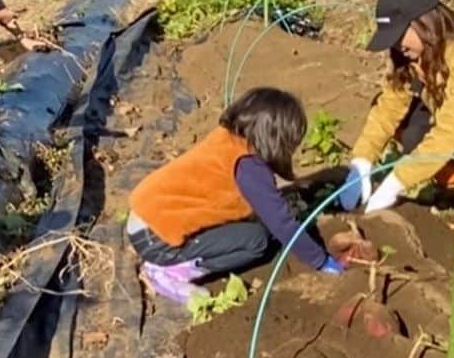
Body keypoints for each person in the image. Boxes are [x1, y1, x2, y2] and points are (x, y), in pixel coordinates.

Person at [126, 87, 343, 303]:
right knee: (256, 241)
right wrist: (321, 261)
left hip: (147, 216)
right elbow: (282, 224)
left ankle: (171, 259)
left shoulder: (229, 139)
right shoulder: (248, 165)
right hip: (156, 237)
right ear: (277, 140)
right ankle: (168, 273)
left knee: (251, 229)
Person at [339, 0, 454, 222]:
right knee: (402, 122)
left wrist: (397, 180)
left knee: (444, 147)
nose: (396, 45)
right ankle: (451, 180)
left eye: (399, 35)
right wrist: (362, 161)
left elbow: (451, 131)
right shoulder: (413, 56)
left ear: (424, 23)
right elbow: (388, 109)